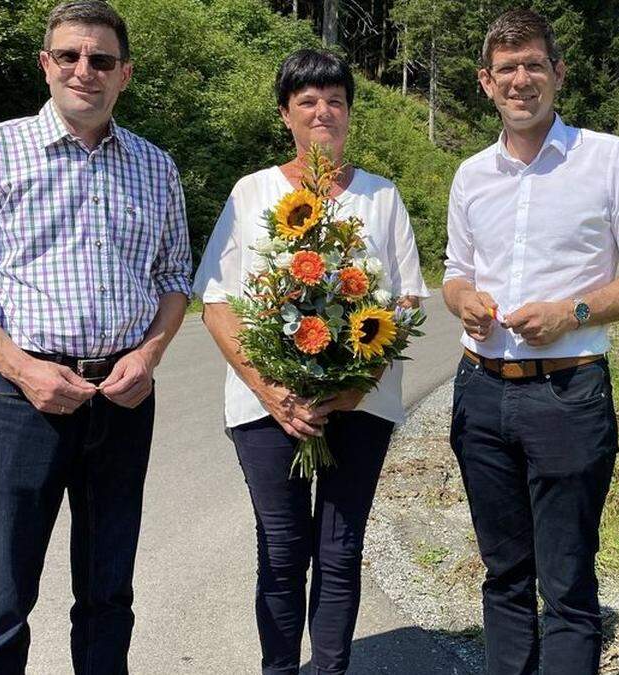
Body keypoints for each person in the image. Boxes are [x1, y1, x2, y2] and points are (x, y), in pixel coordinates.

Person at [0, 1, 192, 671]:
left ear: (123, 74)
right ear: (45, 63)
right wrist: (23, 369)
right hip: (19, 402)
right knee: (2, 599)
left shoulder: (155, 166)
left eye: (101, 59)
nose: (85, 70)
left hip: (122, 400)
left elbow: (174, 277)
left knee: (108, 593)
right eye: (70, 55)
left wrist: (150, 353)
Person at [442, 10, 619, 674]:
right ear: (486, 82)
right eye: (507, 68)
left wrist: (572, 311)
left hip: (568, 394)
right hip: (481, 394)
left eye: (534, 65)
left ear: (558, 73)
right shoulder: (471, 175)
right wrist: (464, 301)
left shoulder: (607, 159)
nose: (521, 80)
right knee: (503, 574)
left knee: (568, 585)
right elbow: (455, 272)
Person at [193, 49, 428, 674]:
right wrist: (270, 388)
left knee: (340, 548)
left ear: (349, 113)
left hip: (361, 402)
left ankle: (329, 669)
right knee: (281, 547)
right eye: (308, 101)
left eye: (335, 101)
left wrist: (357, 382)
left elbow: (406, 298)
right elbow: (217, 298)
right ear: (285, 114)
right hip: (267, 406)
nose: (323, 112)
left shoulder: (382, 197)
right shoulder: (253, 192)